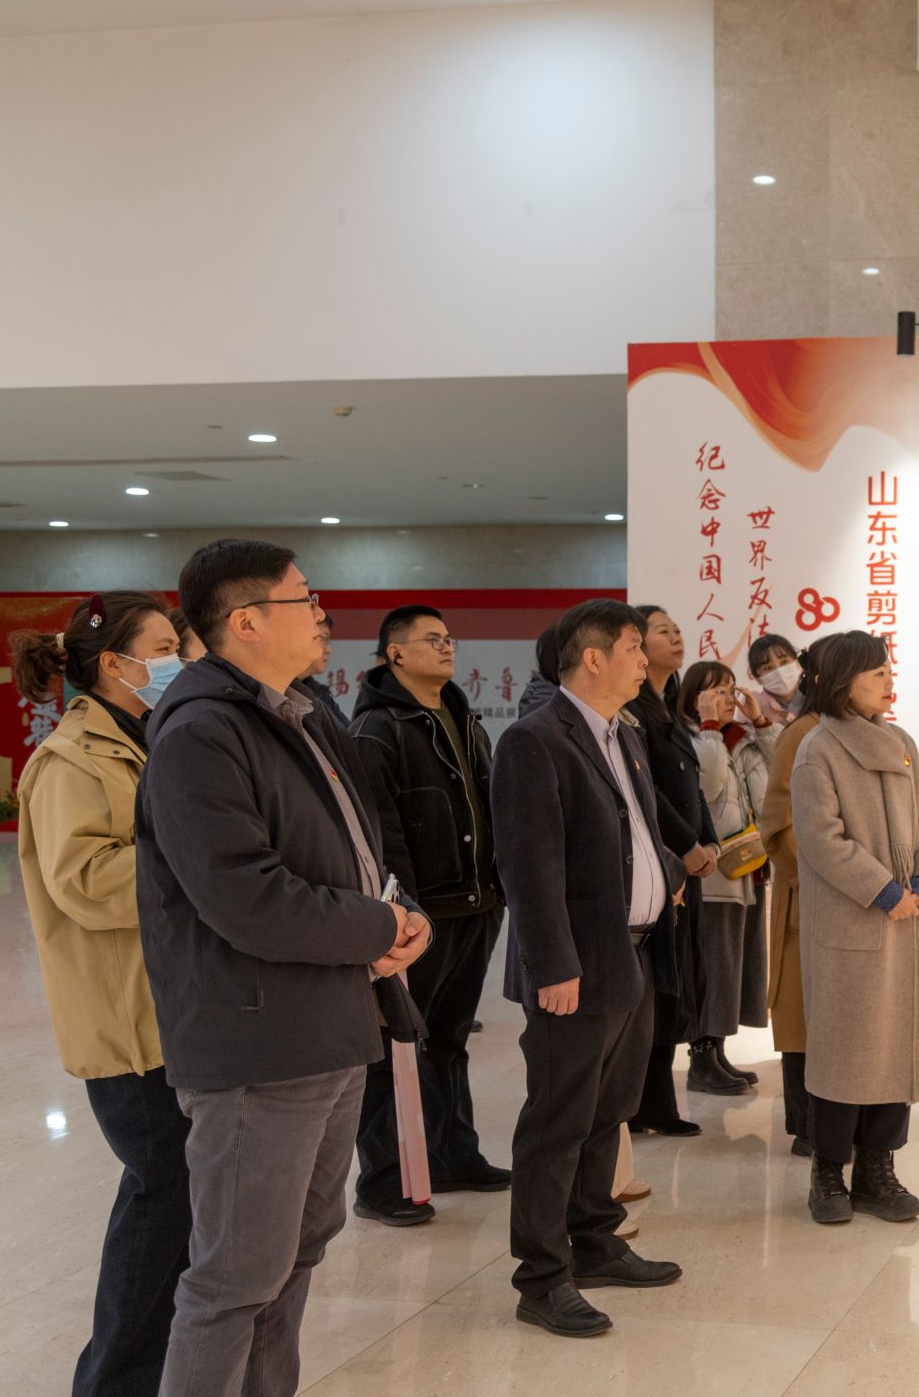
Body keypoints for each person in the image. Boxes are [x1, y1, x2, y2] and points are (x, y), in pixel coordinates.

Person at [137, 539, 432, 1397]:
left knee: (296, 1253)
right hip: (257, 1044)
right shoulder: (201, 734)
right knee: (235, 1278)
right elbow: (247, 898)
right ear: (246, 622)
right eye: (306, 599)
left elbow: (354, 849)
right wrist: (376, 924)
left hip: (330, 1022)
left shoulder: (299, 712)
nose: (322, 615)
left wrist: (399, 913)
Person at [11, 592, 190, 1397]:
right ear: (115, 664)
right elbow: (84, 881)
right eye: (163, 646)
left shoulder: (154, 739)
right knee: (160, 1196)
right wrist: (200, 855)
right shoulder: (69, 761)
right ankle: (115, 1381)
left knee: (182, 1200)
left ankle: (165, 1369)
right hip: (127, 1024)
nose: (176, 658)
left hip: (177, 1007)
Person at [495, 599, 687, 1338]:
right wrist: (552, 966)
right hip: (575, 966)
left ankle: (596, 1242)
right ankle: (542, 1278)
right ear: (593, 657)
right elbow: (529, 867)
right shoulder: (535, 740)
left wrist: (666, 873)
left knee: (609, 1111)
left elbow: (639, 829)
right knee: (558, 1121)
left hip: (631, 953)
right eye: (634, 647)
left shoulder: (622, 733)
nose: (644, 660)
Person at [348, 604, 510, 1225]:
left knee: (449, 1040)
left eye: (449, 638)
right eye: (432, 639)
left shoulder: (463, 718)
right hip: (420, 915)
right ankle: (382, 1181)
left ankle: (453, 1155)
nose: (447, 647)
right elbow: (380, 837)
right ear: (395, 653)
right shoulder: (376, 729)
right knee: (394, 1046)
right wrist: (402, 914)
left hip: (475, 905)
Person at [790, 630, 919, 1224]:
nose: (888, 680)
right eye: (877, 673)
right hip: (852, 922)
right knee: (844, 1051)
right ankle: (828, 1172)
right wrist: (884, 892)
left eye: (888, 671)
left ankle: (878, 1170)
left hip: (906, 922)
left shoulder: (901, 741)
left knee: (894, 1049)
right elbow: (821, 839)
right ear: (843, 681)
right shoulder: (818, 748)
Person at [628, 605, 729, 1127]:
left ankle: (658, 1103)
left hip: (686, 864)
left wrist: (707, 840)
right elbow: (646, 791)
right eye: (662, 630)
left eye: (678, 629)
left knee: (679, 981)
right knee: (656, 984)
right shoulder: (632, 710)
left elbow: (692, 787)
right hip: (661, 865)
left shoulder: (667, 705)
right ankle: (642, 1104)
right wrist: (687, 845)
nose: (676, 636)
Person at [679, 659, 780, 1092]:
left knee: (735, 967)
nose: (725, 698)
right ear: (694, 697)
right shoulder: (690, 738)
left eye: (729, 689)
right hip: (712, 876)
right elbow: (707, 784)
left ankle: (717, 1052)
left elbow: (783, 769)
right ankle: (701, 1059)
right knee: (713, 967)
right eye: (714, 690)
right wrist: (709, 728)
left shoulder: (742, 738)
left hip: (748, 871)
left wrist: (760, 721)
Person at [758, 640, 826, 1157]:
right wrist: (822, 875)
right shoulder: (800, 733)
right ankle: (808, 1127)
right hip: (810, 894)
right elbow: (777, 821)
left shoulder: (868, 732)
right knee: (802, 1018)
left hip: (852, 901)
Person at [297, 612, 350, 730]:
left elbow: (347, 734)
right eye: (324, 639)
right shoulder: (276, 690)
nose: (329, 650)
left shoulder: (319, 692)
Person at [749, 632, 808, 725]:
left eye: (784, 662)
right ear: (757, 678)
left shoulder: (818, 692)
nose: (779, 671)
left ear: (797, 662)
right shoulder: (755, 707)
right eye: (768, 668)